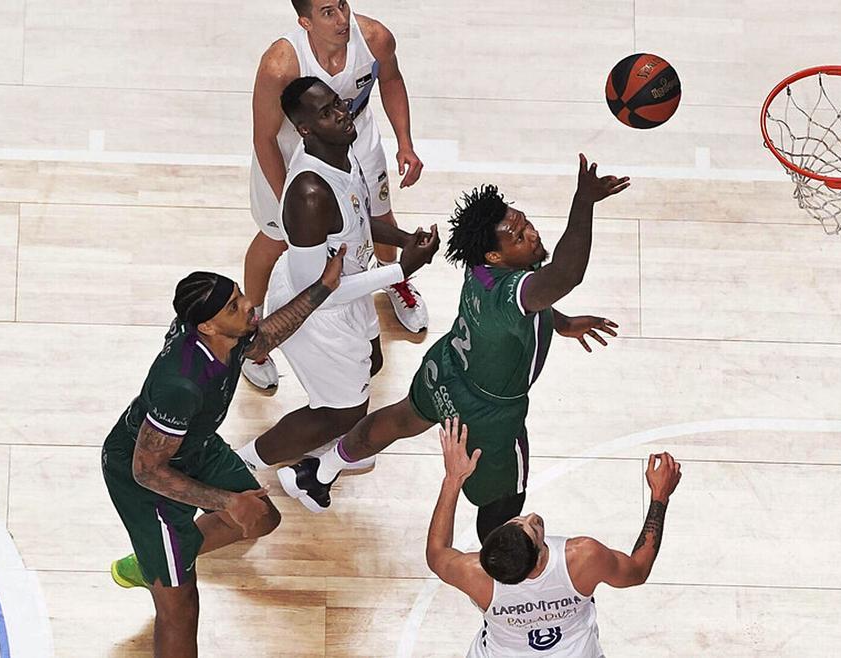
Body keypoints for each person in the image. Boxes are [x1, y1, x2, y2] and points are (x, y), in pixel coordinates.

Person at [279, 155, 628, 541]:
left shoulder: (480, 268)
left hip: (446, 371)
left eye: (526, 223)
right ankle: (499, 577)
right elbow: (565, 274)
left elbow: (527, 304)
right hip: (490, 411)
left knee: (396, 419)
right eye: (518, 235)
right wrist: (584, 201)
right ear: (495, 255)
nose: (532, 234)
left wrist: (560, 323)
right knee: (501, 507)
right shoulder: (514, 294)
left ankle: (319, 471)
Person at [101, 248, 344, 658]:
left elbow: (265, 335)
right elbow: (147, 471)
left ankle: (152, 564)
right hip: (144, 480)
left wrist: (324, 286)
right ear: (208, 325)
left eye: (239, 294)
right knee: (181, 610)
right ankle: (161, 565)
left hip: (193, 448)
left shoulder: (225, 336)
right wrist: (227, 501)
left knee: (262, 516)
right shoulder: (180, 383)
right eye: (235, 304)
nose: (248, 303)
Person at [235, 76, 439, 474]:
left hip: (347, 288)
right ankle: (241, 463)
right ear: (305, 130)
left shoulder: (343, 152)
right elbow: (318, 292)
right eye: (326, 113)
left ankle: (321, 434)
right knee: (343, 413)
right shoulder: (310, 194)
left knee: (373, 362)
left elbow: (359, 219)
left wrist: (404, 238)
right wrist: (400, 269)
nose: (342, 114)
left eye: (338, 104)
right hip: (312, 311)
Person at [242, 0, 428, 390]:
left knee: (379, 213)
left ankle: (394, 282)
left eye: (343, 5)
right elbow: (263, 137)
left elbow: (392, 80)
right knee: (276, 237)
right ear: (304, 21)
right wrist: (287, 203)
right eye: (328, 12)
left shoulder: (375, 37)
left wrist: (405, 142)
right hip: (292, 149)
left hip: (353, 135)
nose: (342, 19)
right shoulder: (281, 65)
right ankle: (253, 331)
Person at [427, 419, 682, 657]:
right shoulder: (583, 558)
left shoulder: (477, 575)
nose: (532, 517)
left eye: (520, 520)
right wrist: (660, 496)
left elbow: (436, 553)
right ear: (538, 559)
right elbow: (638, 570)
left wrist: (453, 479)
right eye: (532, 528)